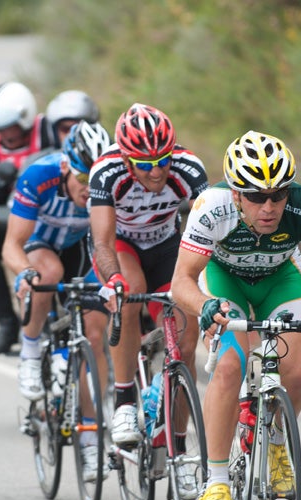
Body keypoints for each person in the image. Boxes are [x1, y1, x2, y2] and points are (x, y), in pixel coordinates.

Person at [170, 130, 301, 500]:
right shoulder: (211, 206)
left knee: (296, 370)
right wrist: (206, 306)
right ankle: (217, 481)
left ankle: (275, 439)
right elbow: (180, 283)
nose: (269, 206)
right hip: (226, 281)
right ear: (237, 194)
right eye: (256, 196)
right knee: (228, 365)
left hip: (280, 279)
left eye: (278, 194)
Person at [89, 103, 209, 467]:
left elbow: (213, 229)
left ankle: (177, 446)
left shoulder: (188, 168)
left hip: (167, 244)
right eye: (144, 164)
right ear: (126, 159)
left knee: (186, 346)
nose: (156, 171)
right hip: (123, 246)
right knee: (129, 291)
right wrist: (113, 281)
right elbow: (103, 243)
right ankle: (124, 398)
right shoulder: (106, 171)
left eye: (162, 160)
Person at [0, 83, 100, 357]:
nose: (3, 135)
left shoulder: (57, 136)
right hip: (25, 217)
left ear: (26, 120)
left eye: (9, 128)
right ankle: (6, 321)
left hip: (70, 216)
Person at [2, 121, 112, 482]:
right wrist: (24, 273)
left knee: (94, 337)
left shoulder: (107, 183)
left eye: (96, 180)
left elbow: (110, 242)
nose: (89, 189)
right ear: (66, 167)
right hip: (41, 243)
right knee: (46, 274)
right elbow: (11, 245)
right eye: (83, 177)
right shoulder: (40, 176)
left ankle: (91, 439)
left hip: (83, 247)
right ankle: (31, 349)